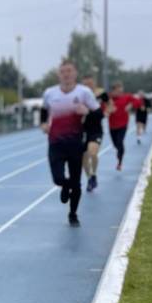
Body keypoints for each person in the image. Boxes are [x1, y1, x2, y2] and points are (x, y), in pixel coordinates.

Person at [41, 61, 99, 226]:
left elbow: (98, 114)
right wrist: (43, 123)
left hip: (75, 143)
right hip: (55, 142)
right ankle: (65, 186)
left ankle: (73, 214)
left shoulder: (84, 92)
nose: (66, 74)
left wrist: (87, 112)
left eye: (69, 71)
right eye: (63, 71)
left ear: (75, 73)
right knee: (58, 178)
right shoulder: (50, 93)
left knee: (76, 183)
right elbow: (44, 110)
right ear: (58, 74)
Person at [80, 75, 108, 192]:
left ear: (94, 83)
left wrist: (106, 112)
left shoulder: (101, 94)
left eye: (90, 84)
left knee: (92, 152)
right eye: (85, 84)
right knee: (83, 159)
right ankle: (90, 178)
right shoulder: (80, 96)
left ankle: (94, 174)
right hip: (82, 130)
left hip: (96, 130)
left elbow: (110, 104)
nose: (88, 86)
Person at [107, 81, 136, 170]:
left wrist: (131, 105)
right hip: (112, 126)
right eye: (117, 90)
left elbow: (138, 101)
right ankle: (119, 152)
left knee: (120, 142)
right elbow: (101, 106)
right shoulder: (109, 98)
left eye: (121, 90)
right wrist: (108, 109)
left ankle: (119, 163)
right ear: (113, 91)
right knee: (116, 145)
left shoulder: (127, 97)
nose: (120, 92)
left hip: (123, 125)